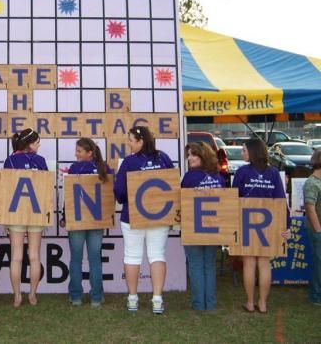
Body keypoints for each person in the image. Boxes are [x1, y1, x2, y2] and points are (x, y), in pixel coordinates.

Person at [114, 125, 174, 314]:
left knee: (132, 256)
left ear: (140, 141)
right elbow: (173, 185)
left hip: (132, 216)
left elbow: (120, 193)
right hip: (160, 216)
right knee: (157, 255)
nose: (129, 144)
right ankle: (157, 299)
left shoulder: (129, 162)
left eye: (131, 140)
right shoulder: (163, 158)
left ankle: (133, 298)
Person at [232, 138, 290, 313]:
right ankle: (262, 303)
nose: (242, 153)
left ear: (252, 151)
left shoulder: (242, 172)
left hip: (246, 221)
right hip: (268, 222)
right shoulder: (273, 173)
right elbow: (281, 200)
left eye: (243, 150)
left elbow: (233, 198)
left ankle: (250, 303)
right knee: (265, 264)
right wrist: (286, 225)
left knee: (249, 263)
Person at [60, 138, 114, 308]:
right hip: (97, 221)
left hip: (77, 220)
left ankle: (76, 297)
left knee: (76, 259)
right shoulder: (104, 168)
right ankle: (96, 297)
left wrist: (64, 217)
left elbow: (67, 198)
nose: (76, 154)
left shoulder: (75, 168)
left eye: (79, 151)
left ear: (89, 153)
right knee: (95, 259)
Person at [3, 128, 49, 307]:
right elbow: (46, 189)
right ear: (30, 144)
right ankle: (32, 295)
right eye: (37, 142)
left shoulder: (11, 160)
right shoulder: (41, 161)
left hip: (16, 214)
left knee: (16, 257)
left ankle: (17, 296)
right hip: (36, 214)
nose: (39, 145)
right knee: (35, 256)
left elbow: (5, 189)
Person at [181, 142, 226, 311]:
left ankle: (199, 304)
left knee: (196, 265)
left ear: (203, 156)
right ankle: (210, 303)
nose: (190, 158)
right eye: (189, 155)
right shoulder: (219, 177)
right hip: (214, 228)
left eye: (194, 155)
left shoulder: (190, 177)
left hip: (193, 227)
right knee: (209, 265)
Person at [304, 148, 321, 306]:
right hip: (317, 229)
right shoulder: (312, 183)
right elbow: (310, 208)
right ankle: (317, 296)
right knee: (319, 263)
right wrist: (318, 231)